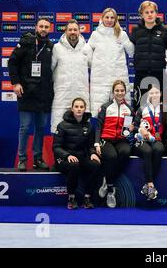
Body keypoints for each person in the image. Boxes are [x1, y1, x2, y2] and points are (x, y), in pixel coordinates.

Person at [8, 18, 54, 171]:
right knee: (25, 127)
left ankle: (38, 158)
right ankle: (22, 158)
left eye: (46, 27)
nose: (43, 29)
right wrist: (15, 83)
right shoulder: (26, 42)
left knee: (40, 128)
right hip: (26, 92)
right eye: (41, 26)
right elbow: (12, 62)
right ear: (36, 27)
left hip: (43, 94)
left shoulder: (51, 46)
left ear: (50, 29)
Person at [83, 7, 134, 117]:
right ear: (102, 18)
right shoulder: (95, 35)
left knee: (120, 113)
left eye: (112, 17)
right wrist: (95, 64)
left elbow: (132, 51)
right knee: (100, 112)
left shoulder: (121, 34)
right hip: (100, 79)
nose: (109, 20)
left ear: (116, 19)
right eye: (107, 17)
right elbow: (87, 51)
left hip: (118, 77)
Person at [53, 98, 101, 209]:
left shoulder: (89, 126)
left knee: (96, 164)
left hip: (81, 157)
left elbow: (90, 145)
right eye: (76, 107)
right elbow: (56, 147)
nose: (79, 109)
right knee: (74, 165)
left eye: (81, 107)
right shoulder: (62, 125)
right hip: (64, 159)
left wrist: (93, 153)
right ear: (72, 109)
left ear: (84, 109)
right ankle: (71, 197)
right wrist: (67, 155)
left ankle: (87, 198)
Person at [95, 80, 135, 208]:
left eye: (122, 90)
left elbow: (127, 130)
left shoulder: (129, 109)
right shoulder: (106, 107)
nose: (119, 93)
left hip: (121, 140)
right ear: (113, 92)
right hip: (106, 139)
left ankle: (107, 180)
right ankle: (111, 191)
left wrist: (130, 130)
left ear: (125, 92)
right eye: (117, 90)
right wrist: (97, 143)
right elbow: (98, 126)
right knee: (111, 156)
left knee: (126, 152)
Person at [130, 1, 167, 108]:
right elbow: (131, 48)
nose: (149, 15)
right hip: (141, 73)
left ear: (156, 13)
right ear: (141, 15)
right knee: (138, 104)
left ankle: (161, 125)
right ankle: (137, 124)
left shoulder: (165, 31)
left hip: (159, 73)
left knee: (161, 105)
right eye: (146, 12)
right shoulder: (135, 31)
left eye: (152, 12)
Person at [50, 19, 89, 133]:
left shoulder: (86, 48)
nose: (73, 32)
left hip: (80, 95)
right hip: (62, 95)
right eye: (70, 29)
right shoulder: (57, 48)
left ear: (79, 32)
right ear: (65, 31)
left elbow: (97, 70)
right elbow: (49, 70)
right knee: (59, 129)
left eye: (75, 30)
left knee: (81, 131)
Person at [134, 85, 166, 201]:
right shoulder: (142, 109)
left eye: (157, 92)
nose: (154, 95)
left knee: (159, 149)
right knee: (147, 151)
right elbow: (134, 125)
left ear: (161, 94)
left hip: (157, 139)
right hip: (143, 140)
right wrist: (140, 130)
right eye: (151, 93)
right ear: (148, 95)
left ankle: (148, 184)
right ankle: (151, 185)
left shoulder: (165, 109)